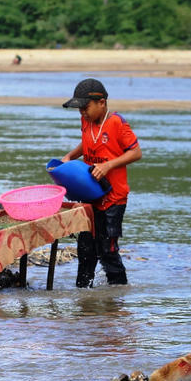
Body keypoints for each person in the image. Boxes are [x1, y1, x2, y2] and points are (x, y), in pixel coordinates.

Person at [58, 78, 141, 287]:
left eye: (85, 108)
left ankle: (117, 294)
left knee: (107, 249)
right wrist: (70, 156)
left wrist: (108, 165)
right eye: (79, 109)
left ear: (101, 102)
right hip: (90, 194)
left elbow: (136, 152)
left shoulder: (117, 123)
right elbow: (87, 142)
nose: (82, 113)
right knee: (85, 248)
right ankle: (84, 295)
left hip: (113, 198)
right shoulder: (86, 121)